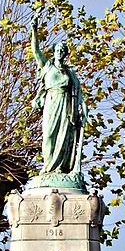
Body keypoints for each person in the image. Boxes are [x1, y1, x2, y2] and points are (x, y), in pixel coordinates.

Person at [31, 15, 88, 175]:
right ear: (54, 52)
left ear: (65, 54)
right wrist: (34, 30)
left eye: (62, 51)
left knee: (64, 136)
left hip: (66, 105)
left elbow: (79, 94)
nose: (59, 52)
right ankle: (48, 167)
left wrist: (84, 111)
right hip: (51, 101)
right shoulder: (47, 66)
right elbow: (35, 51)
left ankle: (61, 168)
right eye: (57, 50)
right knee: (49, 135)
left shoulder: (70, 73)